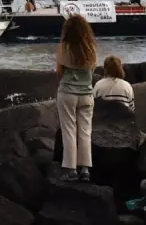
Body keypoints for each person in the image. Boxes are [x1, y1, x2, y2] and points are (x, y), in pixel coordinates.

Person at [56, 14, 97, 182]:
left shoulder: (64, 47)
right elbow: (92, 71)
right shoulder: (91, 48)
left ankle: (71, 169)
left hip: (67, 93)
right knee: (85, 131)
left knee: (69, 130)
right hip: (87, 94)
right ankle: (85, 169)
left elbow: (59, 72)